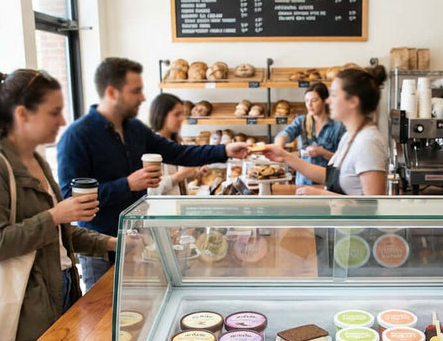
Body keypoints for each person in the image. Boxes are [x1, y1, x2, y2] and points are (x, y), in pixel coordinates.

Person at [0, 69, 116, 341]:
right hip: (21, 308)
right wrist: (55, 215)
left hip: (60, 288)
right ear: (22, 114)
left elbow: (59, 236)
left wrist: (115, 243)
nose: (62, 122)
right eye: (54, 112)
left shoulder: (36, 161)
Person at [57, 57, 249, 288]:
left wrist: (225, 149)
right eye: (136, 91)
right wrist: (127, 184)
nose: (143, 98)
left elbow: (178, 153)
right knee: (103, 313)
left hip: (139, 240)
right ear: (112, 92)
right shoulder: (78, 136)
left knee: (141, 305)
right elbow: (70, 197)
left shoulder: (135, 129)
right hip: (102, 249)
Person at [263, 65, 388, 195]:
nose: (328, 101)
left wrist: (320, 195)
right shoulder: (350, 137)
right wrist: (285, 157)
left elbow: (372, 205)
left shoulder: (368, 143)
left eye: (334, 95)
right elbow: (330, 177)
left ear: (353, 102)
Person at [273, 83, 346, 186]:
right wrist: (278, 147)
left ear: (325, 100)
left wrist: (322, 152)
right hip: (303, 183)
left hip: (326, 184)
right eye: (307, 101)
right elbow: (284, 134)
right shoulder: (301, 121)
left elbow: (343, 160)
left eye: (314, 100)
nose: (309, 105)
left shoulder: (338, 126)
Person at [148, 93, 207, 195]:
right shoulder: (151, 147)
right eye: (176, 114)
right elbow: (152, 191)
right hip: (164, 209)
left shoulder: (174, 142)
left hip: (178, 207)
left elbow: (176, 184)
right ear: (162, 115)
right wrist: (181, 174)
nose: (181, 119)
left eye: (182, 114)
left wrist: (195, 174)